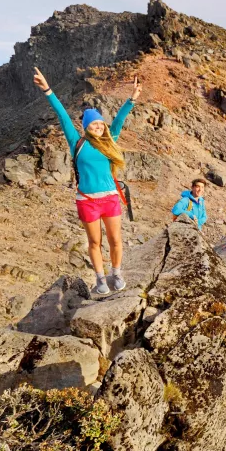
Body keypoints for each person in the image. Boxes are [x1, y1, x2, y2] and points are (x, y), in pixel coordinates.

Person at [33, 67, 140, 295]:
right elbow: (62, 116)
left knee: (115, 241)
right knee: (94, 243)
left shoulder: (110, 141)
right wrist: (48, 90)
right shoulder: (77, 143)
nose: (99, 127)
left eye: (101, 124)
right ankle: (100, 279)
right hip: (87, 201)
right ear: (86, 127)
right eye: (94, 125)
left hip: (110, 199)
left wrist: (131, 99)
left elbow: (120, 120)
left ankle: (116, 274)